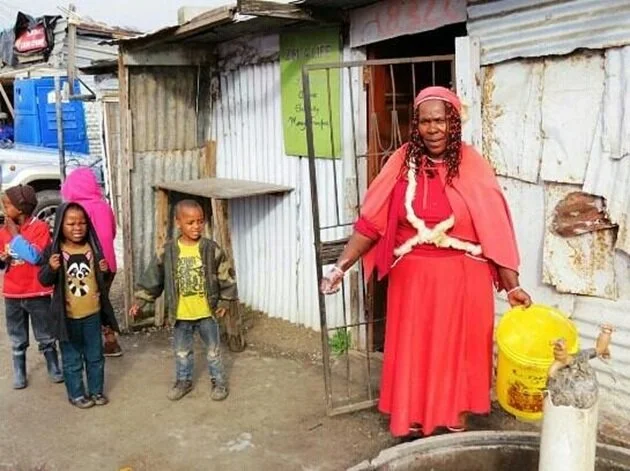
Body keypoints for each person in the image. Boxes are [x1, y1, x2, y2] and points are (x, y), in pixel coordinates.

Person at [320, 86, 532, 438]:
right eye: (425, 121)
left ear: (454, 123)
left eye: (441, 120)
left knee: (457, 352)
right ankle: (415, 415)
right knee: (415, 351)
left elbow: (496, 231)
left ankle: (454, 416)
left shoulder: (474, 166)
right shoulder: (401, 163)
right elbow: (371, 222)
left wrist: (513, 287)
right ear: (415, 124)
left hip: (464, 280)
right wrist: (340, 266)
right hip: (413, 280)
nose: (433, 129)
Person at [130, 199, 237, 402]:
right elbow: (153, 277)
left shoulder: (211, 249)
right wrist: (141, 301)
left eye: (200, 221)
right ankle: (183, 381)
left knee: (213, 351)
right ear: (178, 222)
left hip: (207, 313)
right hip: (181, 314)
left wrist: (225, 301)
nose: (196, 226)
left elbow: (226, 275)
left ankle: (219, 382)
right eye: (190, 222)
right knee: (182, 352)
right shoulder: (168, 251)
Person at [38, 203, 120, 409]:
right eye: (71, 223)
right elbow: (44, 280)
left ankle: (96, 391)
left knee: (95, 356)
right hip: (68, 317)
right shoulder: (55, 251)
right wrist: (51, 268)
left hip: (92, 314)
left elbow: (101, 280)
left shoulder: (93, 248)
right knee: (72, 358)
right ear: (60, 225)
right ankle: (76, 394)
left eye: (82, 222)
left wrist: (104, 271)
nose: (77, 227)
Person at [0, 184, 63, 389]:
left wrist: (15, 236)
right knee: (17, 336)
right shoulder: (3, 231)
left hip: (37, 292)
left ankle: (53, 365)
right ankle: (19, 370)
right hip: (13, 293)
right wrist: (3, 259)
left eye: (7, 206)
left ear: (20, 208)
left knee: (45, 334)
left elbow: (35, 257)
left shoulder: (39, 228)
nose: (4, 210)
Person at [60, 167, 122, 357]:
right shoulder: (104, 206)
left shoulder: (75, 211)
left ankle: (93, 343)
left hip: (86, 266)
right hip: (109, 264)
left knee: (90, 304)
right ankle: (110, 341)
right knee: (102, 301)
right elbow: (112, 232)